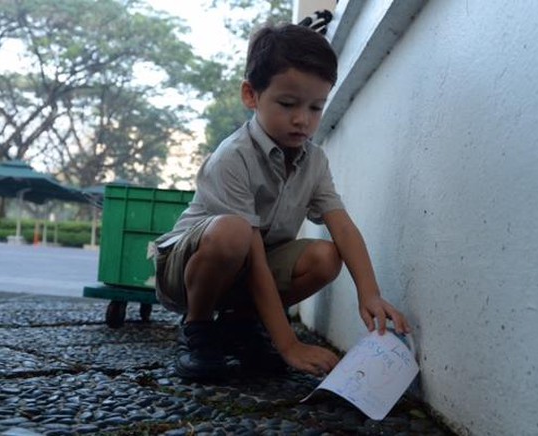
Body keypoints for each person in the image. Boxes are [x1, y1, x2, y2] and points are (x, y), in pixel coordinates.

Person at [154, 23, 410, 380]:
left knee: (325, 257)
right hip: (187, 273)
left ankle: (240, 327)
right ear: (251, 95)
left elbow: (343, 227)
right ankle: (198, 329)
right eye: (287, 104)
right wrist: (288, 344)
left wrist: (370, 294)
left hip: (247, 269)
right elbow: (252, 254)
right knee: (234, 232)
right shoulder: (234, 156)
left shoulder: (314, 160)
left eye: (316, 107)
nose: (302, 119)